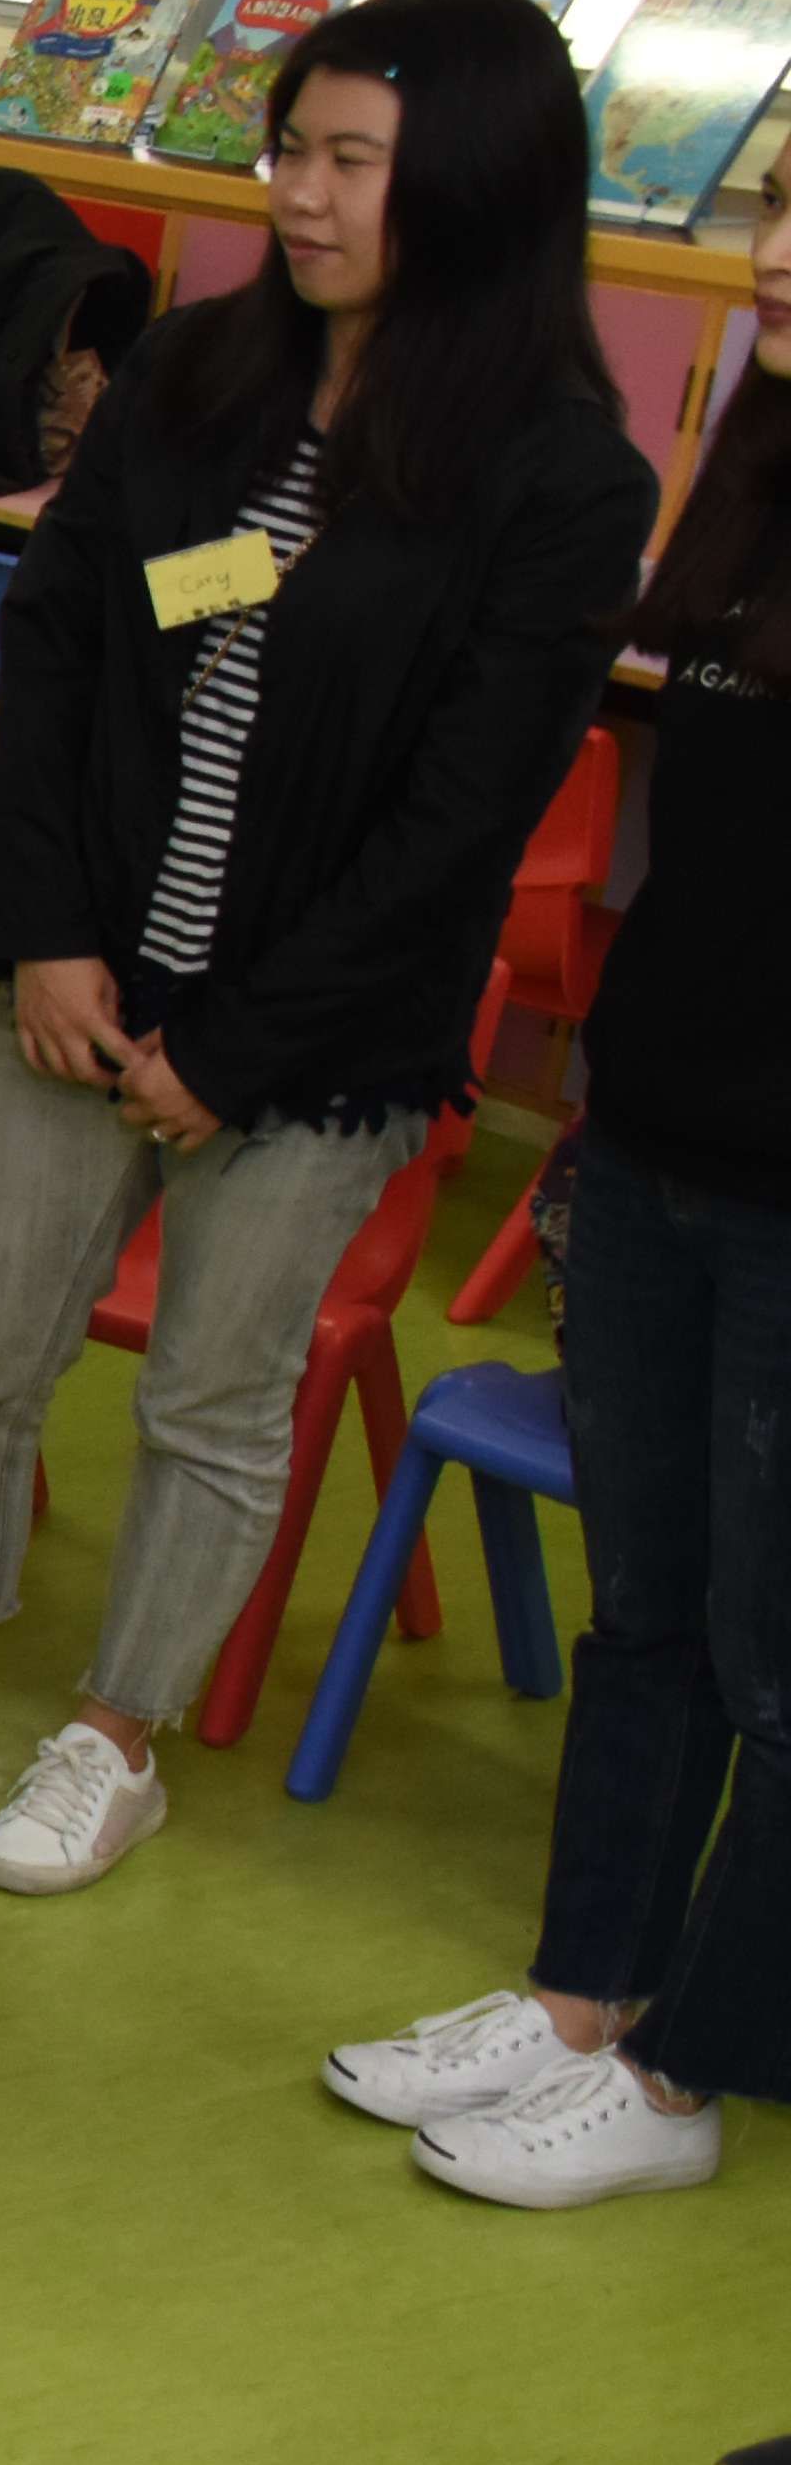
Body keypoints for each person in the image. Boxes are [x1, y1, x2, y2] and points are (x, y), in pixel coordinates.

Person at [0, 0, 650, 1891]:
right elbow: (68, 632)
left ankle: (116, 1734)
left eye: (351, 162)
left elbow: (459, 823)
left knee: (212, 1402)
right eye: (291, 150)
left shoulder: (557, 477)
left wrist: (235, 1049)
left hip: (312, 1043)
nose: (299, 195)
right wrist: (52, 935)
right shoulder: (200, 372)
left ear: (478, 188)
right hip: (89, 975)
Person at [315, 188, 791, 2194]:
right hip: (664, 1129)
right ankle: (586, 1988)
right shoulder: (756, 478)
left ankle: (689, 2076)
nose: (774, 254)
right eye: (783, 208)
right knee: (649, 1612)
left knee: (774, 1651)